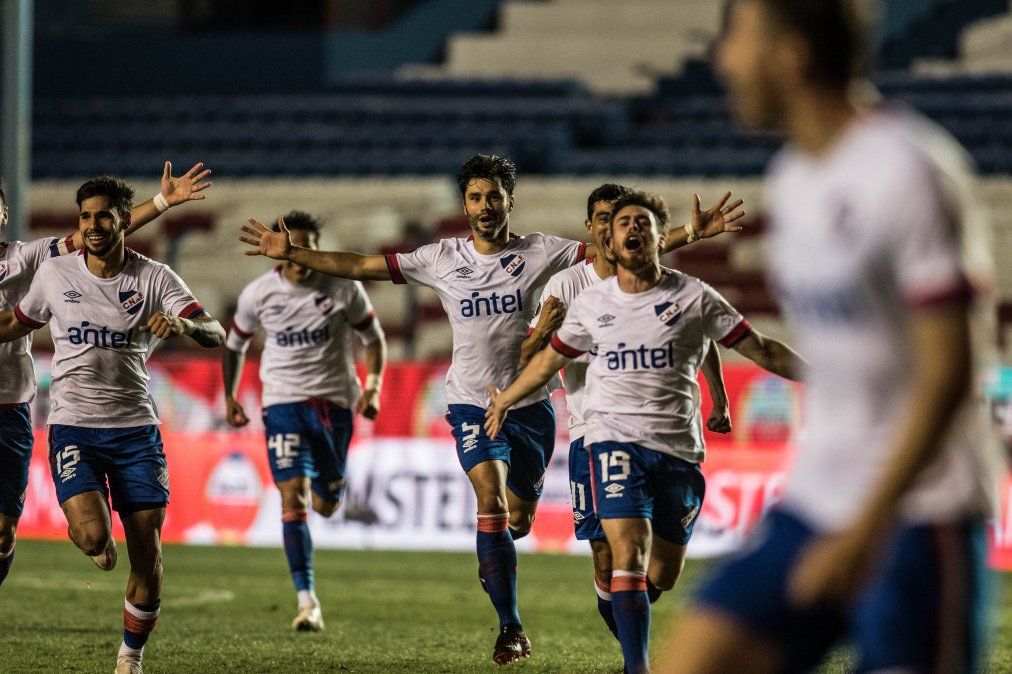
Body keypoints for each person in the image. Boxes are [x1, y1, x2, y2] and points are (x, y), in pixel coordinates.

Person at [237, 154, 745, 664]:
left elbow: (614, 253)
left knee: (518, 518)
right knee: (492, 502)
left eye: (494, 197)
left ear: (510, 201)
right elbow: (362, 266)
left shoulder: (542, 251)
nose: (485, 206)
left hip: (532, 407)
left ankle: (547, 579)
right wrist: (297, 254)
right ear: (465, 203)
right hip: (472, 404)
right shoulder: (441, 258)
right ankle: (511, 627)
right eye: (476, 197)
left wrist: (687, 234)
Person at [661, 1, 1000, 672]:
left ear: (792, 56)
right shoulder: (791, 180)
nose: (720, 58)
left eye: (737, 37)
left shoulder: (907, 171)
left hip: (919, 509)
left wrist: (868, 529)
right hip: (820, 497)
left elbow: (950, 373)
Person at [485, 190, 802, 673]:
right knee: (620, 550)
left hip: (676, 448)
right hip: (605, 439)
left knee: (662, 573)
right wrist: (506, 397)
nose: (631, 230)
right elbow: (546, 359)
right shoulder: (586, 299)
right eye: (621, 223)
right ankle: (640, 665)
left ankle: (622, 606)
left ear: (660, 236)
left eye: (642, 223)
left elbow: (760, 348)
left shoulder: (692, 294)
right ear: (603, 237)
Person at [0, 176, 225, 674]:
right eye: (85, 217)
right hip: (74, 426)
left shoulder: (155, 278)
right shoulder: (56, 275)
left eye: (104, 216)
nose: (94, 226)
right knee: (93, 540)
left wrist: (185, 324)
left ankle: (130, 657)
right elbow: (15, 323)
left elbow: (216, 330)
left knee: (148, 555)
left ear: (125, 219)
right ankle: (99, 542)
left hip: (135, 431)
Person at [519, 184, 731, 645]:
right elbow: (531, 355)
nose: (610, 225)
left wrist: (719, 396)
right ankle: (635, 654)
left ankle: (634, 636)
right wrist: (542, 336)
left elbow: (701, 333)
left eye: (619, 217)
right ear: (592, 227)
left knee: (651, 568)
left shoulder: (665, 283)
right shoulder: (566, 284)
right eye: (601, 217)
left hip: (658, 434)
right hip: (590, 430)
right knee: (606, 555)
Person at [222, 210, 387, 632]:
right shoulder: (258, 294)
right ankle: (307, 600)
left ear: (316, 246)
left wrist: (373, 388)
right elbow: (235, 344)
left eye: (307, 244)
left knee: (327, 504)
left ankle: (332, 485)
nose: (299, 252)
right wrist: (230, 395)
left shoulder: (344, 287)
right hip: (282, 403)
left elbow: (373, 338)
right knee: (292, 496)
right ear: (276, 249)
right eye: (291, 243)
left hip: (335, 404)